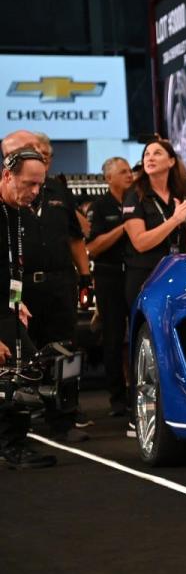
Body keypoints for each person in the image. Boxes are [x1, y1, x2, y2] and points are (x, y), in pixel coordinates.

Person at [2, 130, 90, 441]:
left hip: (58, 283)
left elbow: (76, 237)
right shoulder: (8, 198)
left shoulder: (58, 192)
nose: (35, 189)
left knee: (65, 352)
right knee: (21, 358)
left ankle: (64, 420)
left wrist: (85, 277)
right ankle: (18, 431)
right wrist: (12, 299)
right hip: (22, 287)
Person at [0, 148, 58, 468]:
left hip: (6, 307)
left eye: (40, 185)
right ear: (8, 176)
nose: (35, 192)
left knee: (26, 369)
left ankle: (13, 443)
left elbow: (13, 268)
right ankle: (13, 444)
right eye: (29, 184)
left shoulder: (17, 213)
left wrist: (15, 303)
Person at [122, 139, 186, 309]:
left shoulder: (179, 193)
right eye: (146, 154)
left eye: (157, 153)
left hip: (177, 274)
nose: (150, 158)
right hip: (146, 278)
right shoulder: (134, 195)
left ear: (171, 161)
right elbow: (140, 243)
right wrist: (174, 220)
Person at [86, 157, 134, 417]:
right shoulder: (100, 206)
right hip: (109, 276)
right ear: (109, 178)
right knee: (114, 337)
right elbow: (93, 247)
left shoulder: (136, 200)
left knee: (136, 336)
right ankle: (116, 397)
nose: (129, 175)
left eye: (130, 171)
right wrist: (123, 229)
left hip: (133, 275)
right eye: (123, 172)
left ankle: (137, 391)